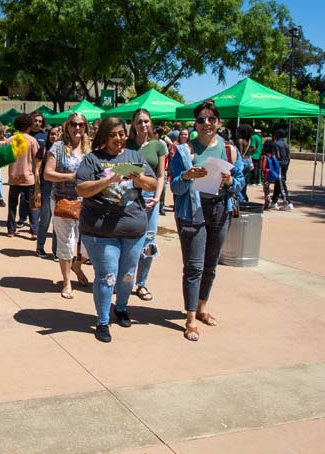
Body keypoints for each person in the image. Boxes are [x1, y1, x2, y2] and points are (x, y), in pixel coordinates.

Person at [75, 117, 157, 343]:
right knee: (107, 275)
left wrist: (138, 178)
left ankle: (121, 308)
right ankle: (102, 321)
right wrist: (109, 180)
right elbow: (81, 188)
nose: (119, 139)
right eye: (113, 135)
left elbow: (153, 184)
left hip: (133, 228)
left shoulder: (135, 157)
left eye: (121, 133)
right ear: (104, 136)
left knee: (127, 275)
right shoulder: (93, 160)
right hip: (100, 230)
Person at [168, 101, 237, 342]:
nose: (206, 124)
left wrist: (230, 182)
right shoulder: (184, 151)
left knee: (211, 265)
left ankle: (202, 307)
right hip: (192, 210)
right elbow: (175, 187)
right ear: (195, 124)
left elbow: (240, 183)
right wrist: (187, 176)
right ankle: (190, 318)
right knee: (194, 266)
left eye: (211, 119)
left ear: (218, 122)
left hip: (220, 209)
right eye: (201, 120)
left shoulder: (229, 150)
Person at [44, 114, 91, 298]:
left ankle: (77, 266)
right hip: (62, 200)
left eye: (81, 124)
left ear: (85, 127)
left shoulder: (90, 148)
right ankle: (66, 281)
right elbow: (47, 174)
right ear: (67, 126)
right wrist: (71, 177)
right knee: (66, 243)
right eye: (73, 124)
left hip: (86, 202)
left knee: (88, 243)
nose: (77, 127)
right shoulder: (58, 147)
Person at [126, 109, 167, 302]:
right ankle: (124, 279)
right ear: (133, 124)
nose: (143, 125)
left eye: (146, 121)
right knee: (127, 240)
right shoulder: (126, 144)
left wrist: (158, 197)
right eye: (139, 122)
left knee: (149, 241)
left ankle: (141, 283)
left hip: (150, 196)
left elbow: (161, 174)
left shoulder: (159, 145)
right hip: (128, 195)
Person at [6, 113, 39, 237]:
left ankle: (11, 230)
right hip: (28, 178)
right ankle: (34, 231)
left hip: (13, 177)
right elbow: (36, 159)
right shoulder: (32, 140)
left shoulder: (10, 140)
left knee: (12, 206)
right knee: (32, 206)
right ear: (29, 126)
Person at [35, 124, 62, 259]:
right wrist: (37, 189)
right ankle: (40, 247)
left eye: (57, 133)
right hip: (46, 187)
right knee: (45, 218)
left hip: (61, 188)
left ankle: (56, 250)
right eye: (52, 133)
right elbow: (37, 170)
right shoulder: (44, 149)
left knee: (59, 220)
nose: (55, 136)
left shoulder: (65, 150)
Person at [29, 112, 51, 248]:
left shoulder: (45, 136)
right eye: (35, 120)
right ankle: (31, 224)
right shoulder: (26, 135)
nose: (37, 123)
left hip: (41, 173)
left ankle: (34, 229)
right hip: (27, 172)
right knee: (31, 201)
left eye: (39, 121)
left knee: (37, 202)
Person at [272, 129, 293, 210]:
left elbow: (277, 156)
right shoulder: (286, 144)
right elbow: (289, 156)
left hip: (280, 164)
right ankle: (274, 201)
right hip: (285, 164)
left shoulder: (276, 144)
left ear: (277, 135)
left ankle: (287, 202)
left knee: (281, 183)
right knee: (278, 182)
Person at [260, 139, 283, 209]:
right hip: (273, 174)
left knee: (266, 190)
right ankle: (270, 202)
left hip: (266, 175)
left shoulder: (264, 157)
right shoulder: (273, 156)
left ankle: (267, 203)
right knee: (268, 189)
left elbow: (262, 167)